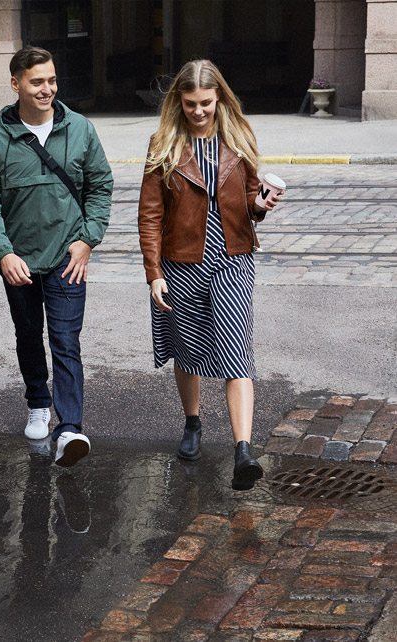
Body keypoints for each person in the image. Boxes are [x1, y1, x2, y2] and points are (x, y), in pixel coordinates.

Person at [137, 59, 282, 491]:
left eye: (206, 103)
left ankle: (243, 450)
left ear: (219, 98)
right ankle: (193, 422)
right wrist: (154, 273)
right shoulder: (163, 144)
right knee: (189, 349)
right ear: (178, 102)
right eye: (190, 103)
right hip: (181, 265)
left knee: (238, 352)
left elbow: (251, 201)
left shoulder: (238, 138)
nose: (198, 111)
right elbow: (149, 215)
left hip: (233, 260)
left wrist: (262, 205)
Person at [0, 47, 113, 467]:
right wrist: (3, 253)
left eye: (51, 80)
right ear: (16, 84)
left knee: (66, 341)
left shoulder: (80, 129)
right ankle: (37, 399)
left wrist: (88, 240)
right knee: (29, 335)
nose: (47, 88)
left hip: (69, 257)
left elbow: (101, 187)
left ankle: (70, 428)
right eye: (37, 81)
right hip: (20, 262)